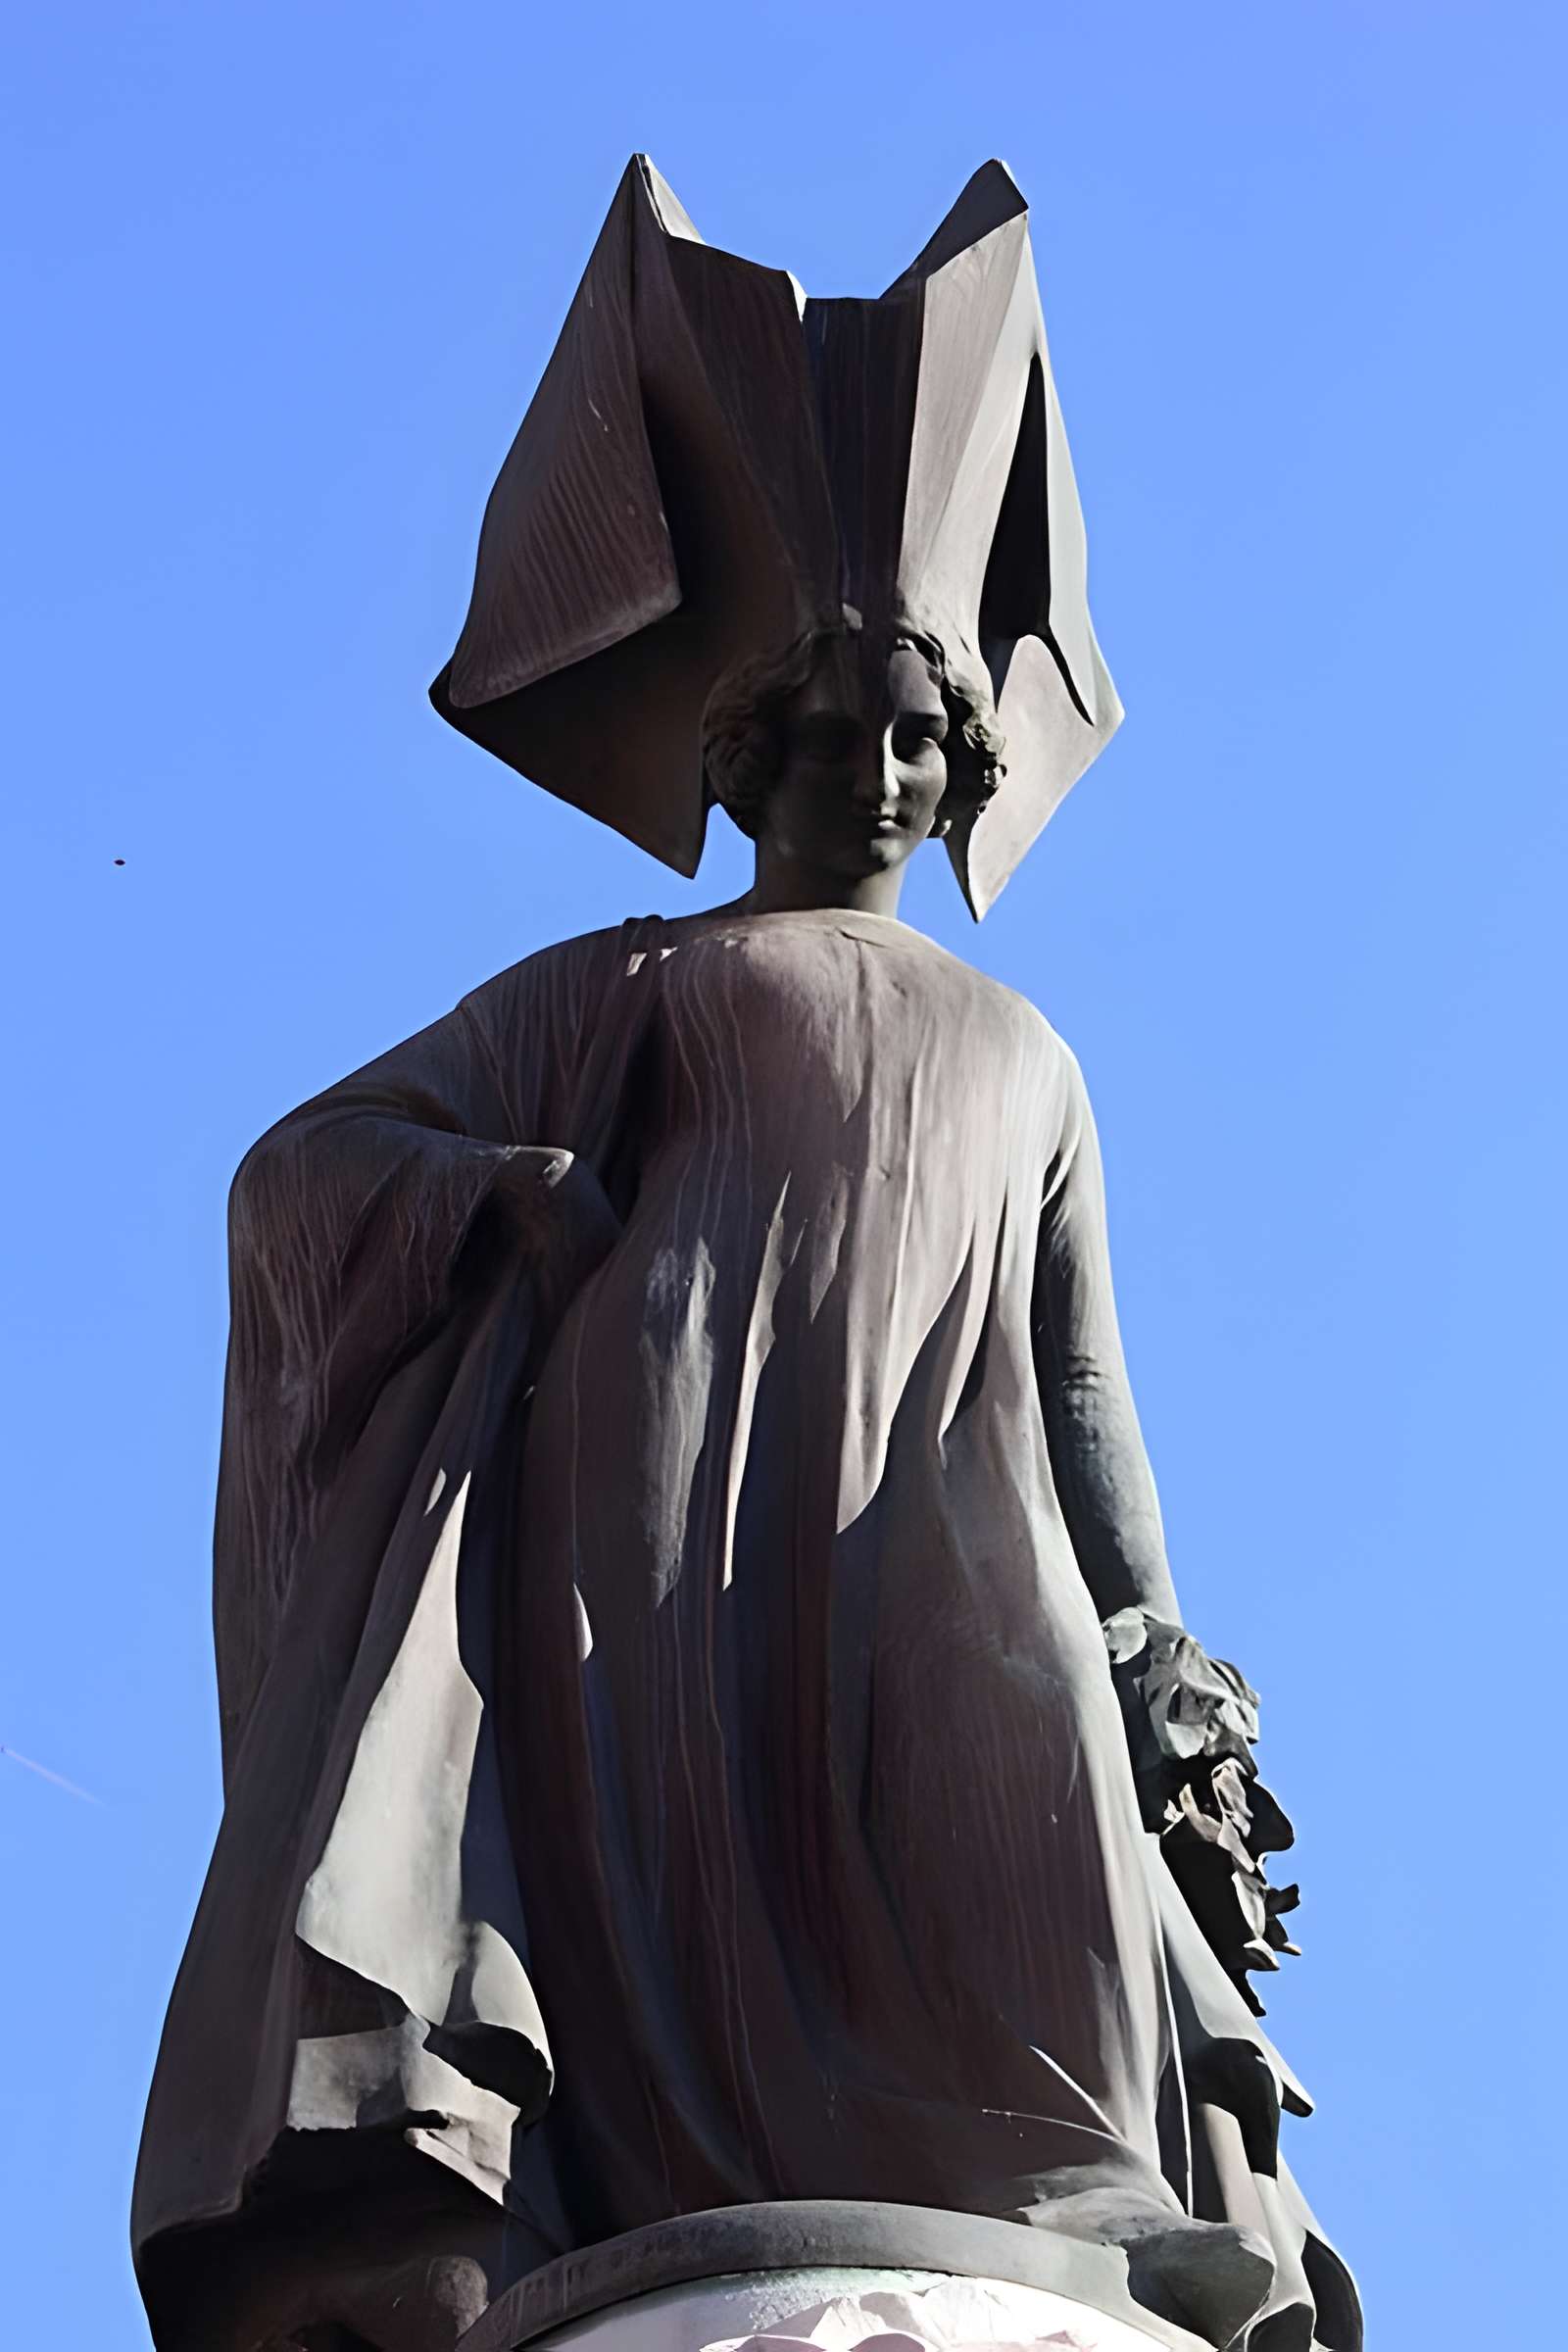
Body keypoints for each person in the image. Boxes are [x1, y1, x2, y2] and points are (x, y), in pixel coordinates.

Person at [133, 163, 1360, 2352]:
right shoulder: (616, 979)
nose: (875, 769)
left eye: (914, 735)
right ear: (741, 747)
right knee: (653, 1882)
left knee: (1023, 1785)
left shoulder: (1031, 1049)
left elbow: (1082, 1388)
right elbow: (309, 1160)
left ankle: (1059, 2189)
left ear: (962, 759)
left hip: (936, 1492)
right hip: (653, 1499)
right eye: (825, 729)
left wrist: (1153, 1622)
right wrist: (495, 1194)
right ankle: (605, 2184)